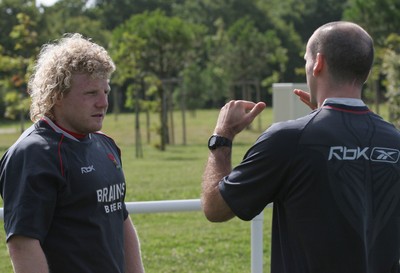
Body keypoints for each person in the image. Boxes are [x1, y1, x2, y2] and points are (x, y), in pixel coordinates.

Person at [202, 21, 400, 272]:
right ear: (367, 72)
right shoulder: (394, 140)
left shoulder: (289, 139)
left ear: (318, 63)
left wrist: (222, 137)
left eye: (305, 60)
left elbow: (215, 207)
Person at [0, 33, 145, 273]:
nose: (103, 102)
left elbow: (120, 218)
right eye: (91, 93)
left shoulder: (105, 144)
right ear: (56, 96)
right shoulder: (33, 153)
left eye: (105, 92)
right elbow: (23, 244)